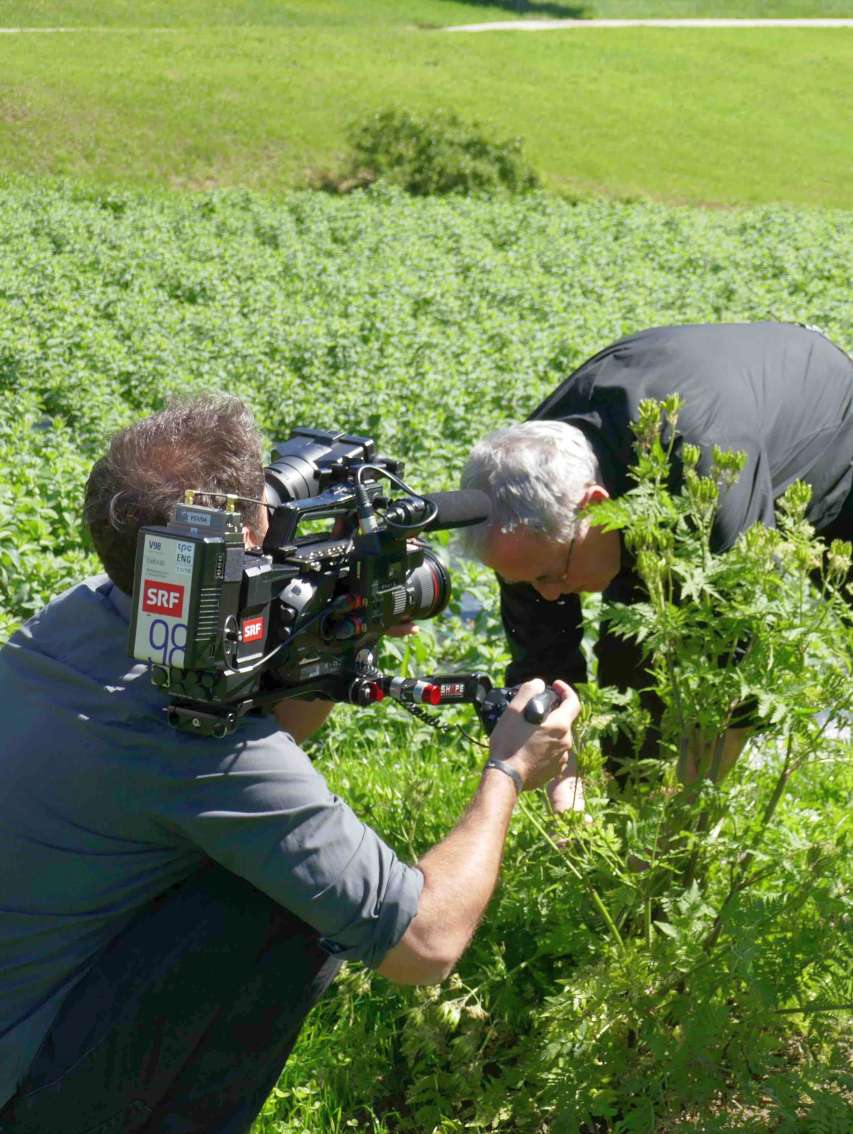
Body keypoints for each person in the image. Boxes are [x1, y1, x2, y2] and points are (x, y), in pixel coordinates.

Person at [0, 395, 579, 1134]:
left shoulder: (80, 614)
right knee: (286, 905)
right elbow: (426, 944)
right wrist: (506, 770)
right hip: (25, 1089)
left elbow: (269, 743)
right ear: (246, 531)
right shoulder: (194, 739)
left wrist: (330, 647)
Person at [460, 321, 853, 808]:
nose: (547, 594)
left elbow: (736, 669)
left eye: (550, 575)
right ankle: (630, 803)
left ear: (594, 507)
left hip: (829, 427)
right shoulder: (518, 493)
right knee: (633, 665)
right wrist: (568, 779)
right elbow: (542, 654)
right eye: (523, 579)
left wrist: (676, 834)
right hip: (662, 467)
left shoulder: (705, 468)